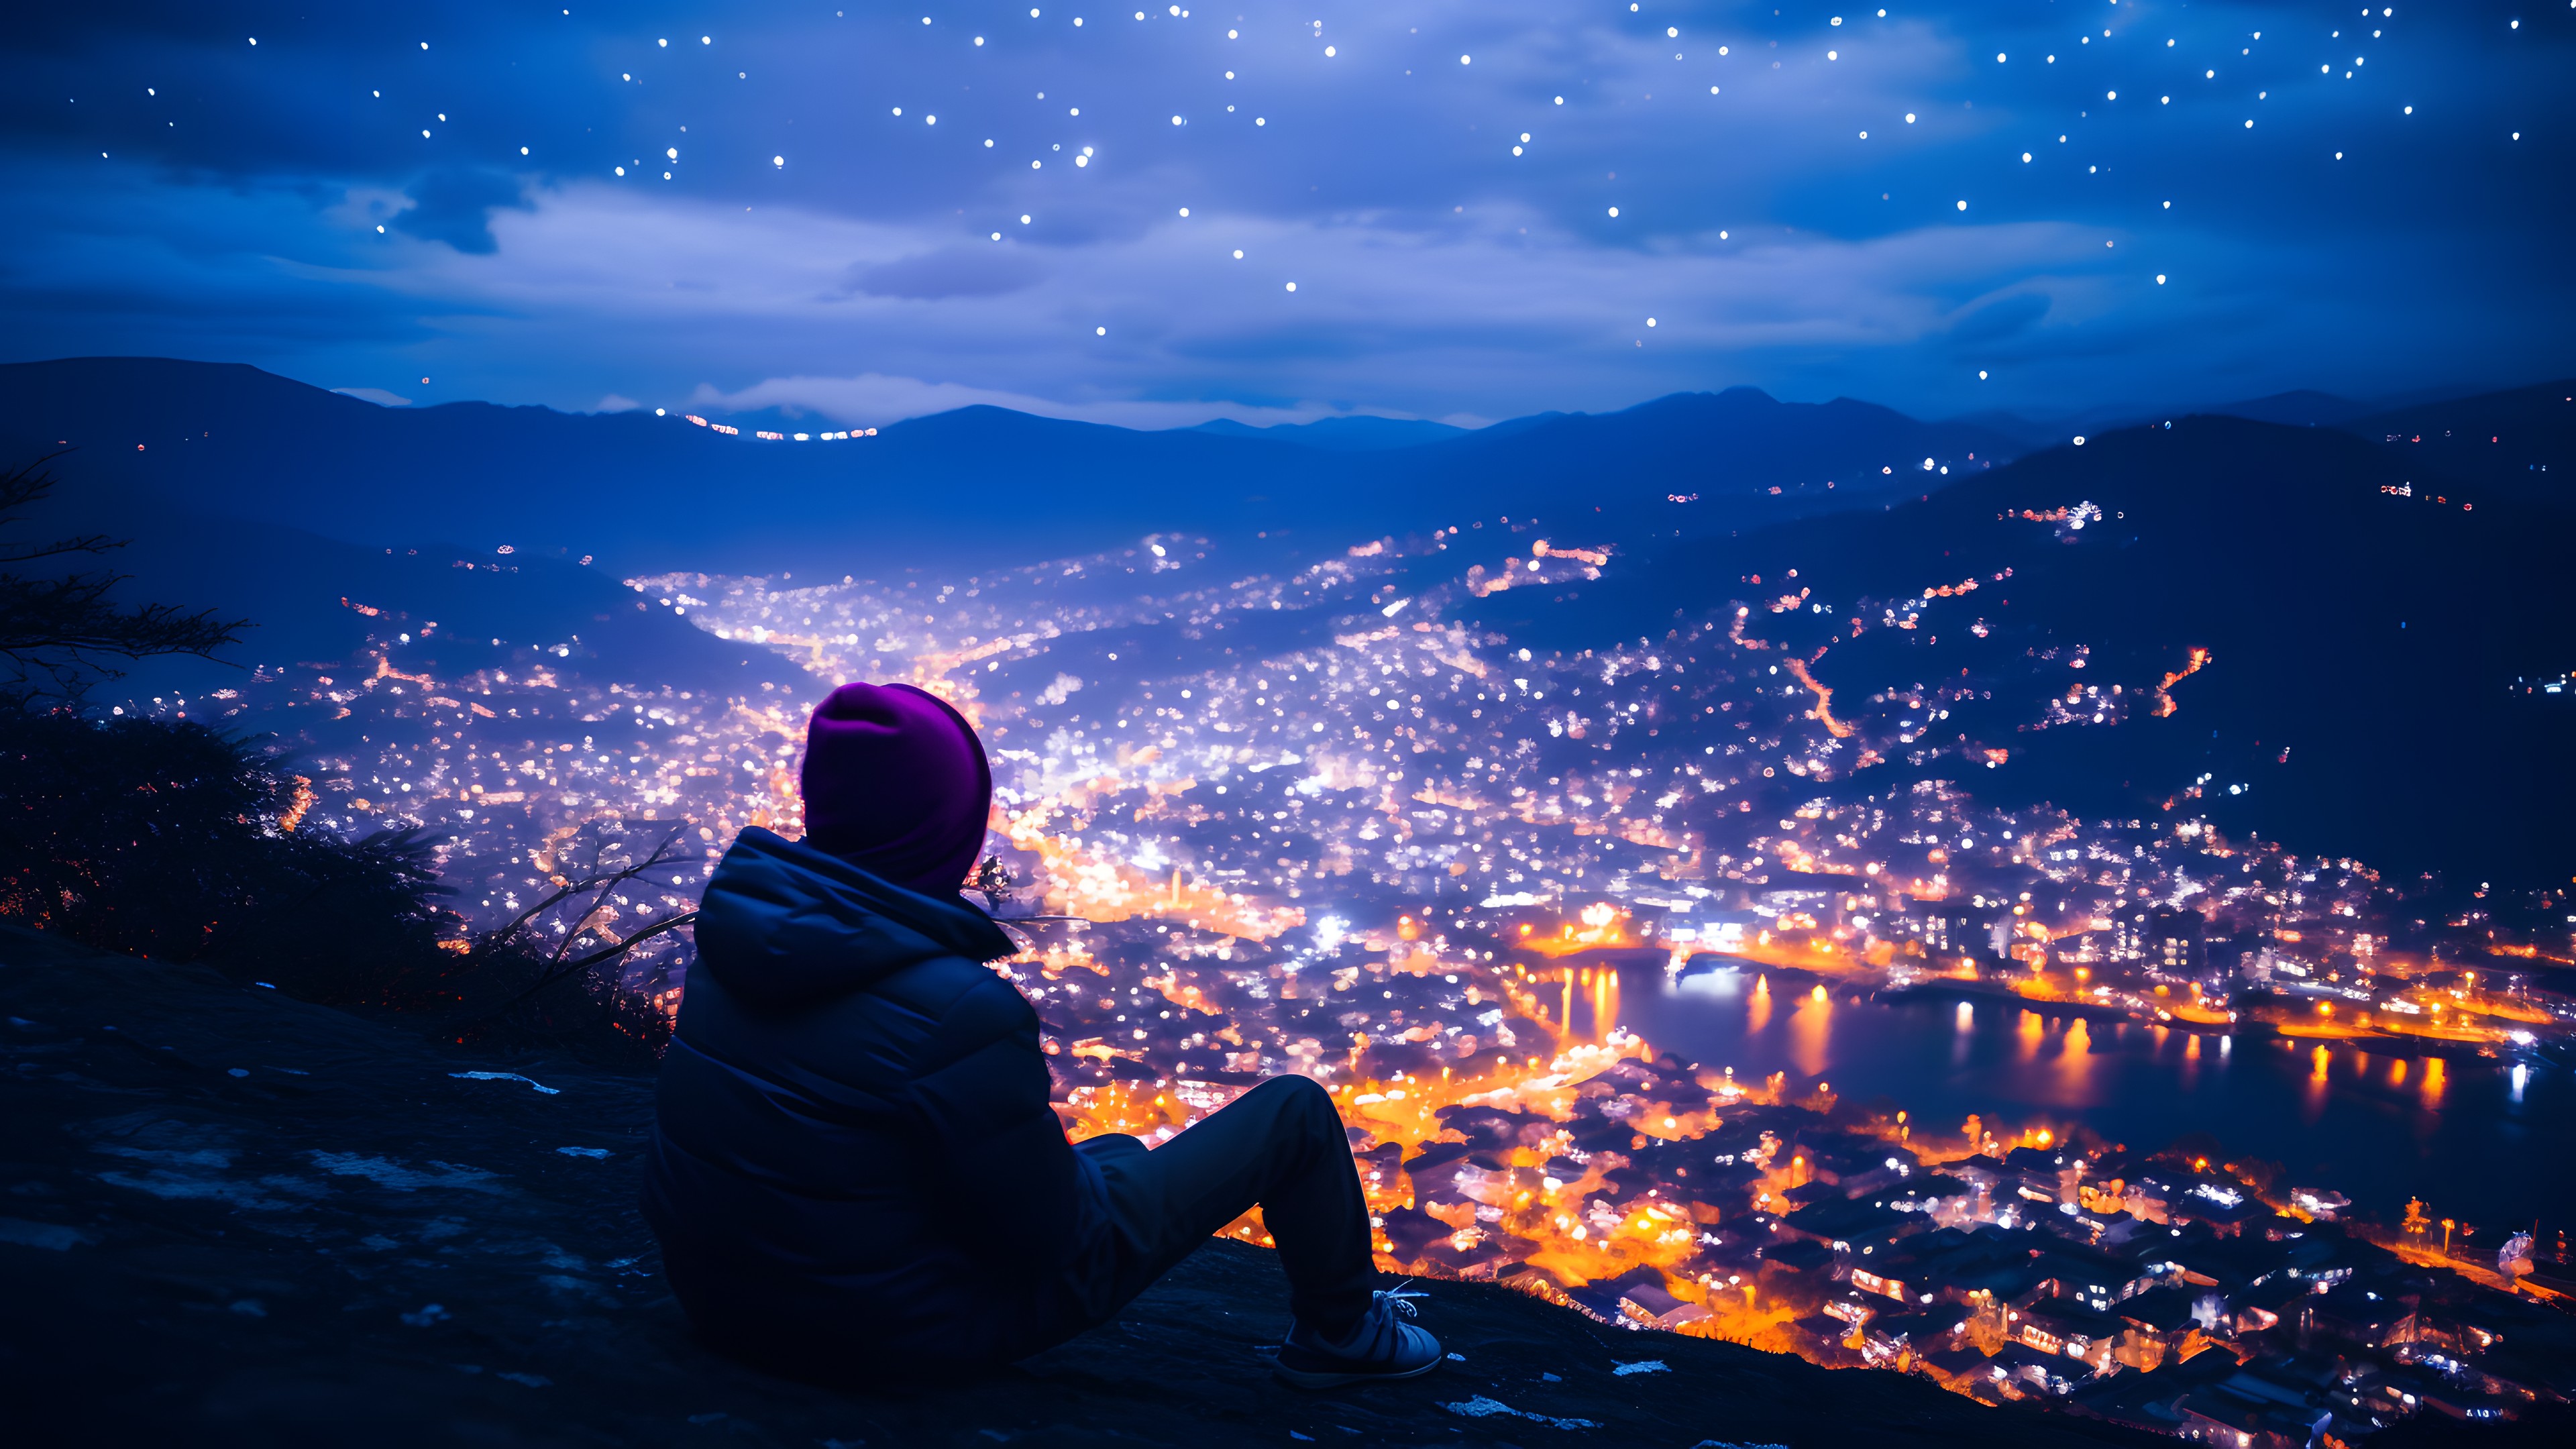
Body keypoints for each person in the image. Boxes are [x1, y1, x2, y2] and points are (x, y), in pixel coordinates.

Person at [643, 682, 1439, 1387]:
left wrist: (1114, 1165)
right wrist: (1115, 1181)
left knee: (1118, 1153)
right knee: (1291, 1113)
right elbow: (1050, 1241)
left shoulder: (731, 943)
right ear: (945, 827)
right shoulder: (956, 1010)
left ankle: (1145, 1183)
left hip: (724, 1302)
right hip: (886, 1337)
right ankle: (1344, 1332)